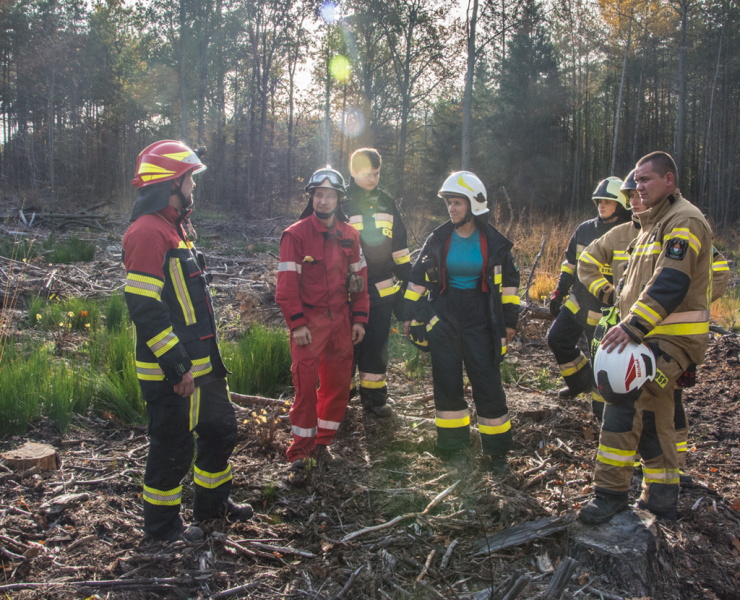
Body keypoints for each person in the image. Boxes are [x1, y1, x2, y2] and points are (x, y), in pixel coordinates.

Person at [123, 140, 252, 543]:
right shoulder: (147, 232)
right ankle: (162, 530)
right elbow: (145, 307)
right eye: (190, 179)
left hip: (202, 362)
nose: (193, 187)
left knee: (220, 431)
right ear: (171, 183)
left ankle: (212, 508)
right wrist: (177, 365)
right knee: (173, 448)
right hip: (174, 369)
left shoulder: (175, 227)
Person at [579, 151, 713, 524]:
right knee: (655, 414)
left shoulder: (682, 220)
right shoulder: (649, 225)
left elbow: (672, 281)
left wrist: (632, 327)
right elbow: (629, 284)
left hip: (669, 338)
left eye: (646, 179)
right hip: (650, 333)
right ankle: (661, 497)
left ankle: (609, 494)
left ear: (669, 180)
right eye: (635, 181)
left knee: (623, 392)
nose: (637, 187)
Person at [402, 172, 520, 475]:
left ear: (474, 205)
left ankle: (497, 453)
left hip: (482, 318)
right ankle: (453, 447)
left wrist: (509, 324)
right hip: (444, 317)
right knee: (447, 382)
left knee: (488, 382)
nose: (451, 208)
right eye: (449, 203)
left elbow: (508, 285)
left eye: (457, 203)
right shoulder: (439, 238)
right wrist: (410, 315)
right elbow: (416, 281)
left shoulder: (493, 242)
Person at [275, 167, 369, 470]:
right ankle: (301, 453)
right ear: (312, 198)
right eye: (318, 195)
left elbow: (360, 282)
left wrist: (359, 320)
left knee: (339, 385)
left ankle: (323, 443)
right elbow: (286, 287)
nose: (323, 200)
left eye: (329, 195)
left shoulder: (350, 236)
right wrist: (298, 324)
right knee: (304, 389)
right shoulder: (295, 235)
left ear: (338, 199)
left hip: (342, 321)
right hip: (310, 323)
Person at [341, 149, 412, 418]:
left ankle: (374, 399)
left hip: (382, 291)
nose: (372, 179)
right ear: (353, 171)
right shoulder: (340, 201)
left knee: (377, 345)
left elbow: (400, 245)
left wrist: (407, 278)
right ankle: (341, 399)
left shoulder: (387, 202)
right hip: (347, 289)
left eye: (376, 174)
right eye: (366, 174)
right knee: (345, 346)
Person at [547, 177, 632, 399]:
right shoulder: (584, 230)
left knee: (602, 359)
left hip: (609, 310)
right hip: (579, 302)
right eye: (598, 201)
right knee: (557, 338)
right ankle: (580, 382)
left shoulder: (630, 233)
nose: (601, 205)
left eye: (607, 201)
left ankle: (602, 411)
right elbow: (570, 265)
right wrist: (559, 293)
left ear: (621, 204)